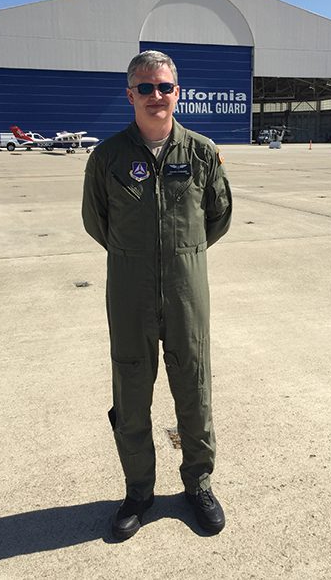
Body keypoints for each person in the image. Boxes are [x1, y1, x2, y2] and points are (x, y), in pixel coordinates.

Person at [82, 50, 232, 540]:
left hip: (188, 290)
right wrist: (138, 258)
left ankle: (199, 483)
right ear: (130, 95)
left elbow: (218, 216)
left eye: (164, 86)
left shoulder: (202, 152)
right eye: (144, 88)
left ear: (177, 92)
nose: (155, 96)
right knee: (130, 389)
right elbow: (96, 221)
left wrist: (180, 256)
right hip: (130, 291)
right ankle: (139, 490)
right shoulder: (107, 157)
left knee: (194, 384)